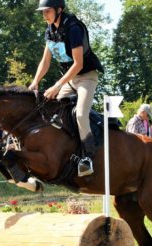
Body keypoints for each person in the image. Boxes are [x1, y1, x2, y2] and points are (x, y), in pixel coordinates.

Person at [28, 0, 104, 177]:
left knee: (80, 114)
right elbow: (45, 61)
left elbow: (78, 64)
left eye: (47, 11)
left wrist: (57, 85)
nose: (44, 15)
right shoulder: (50, 30)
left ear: (59, 9)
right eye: (43, 12)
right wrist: (35, 81)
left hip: (86, 77)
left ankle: (88, 158)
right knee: (50, 110)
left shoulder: (74, 28)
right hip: (70, 80)